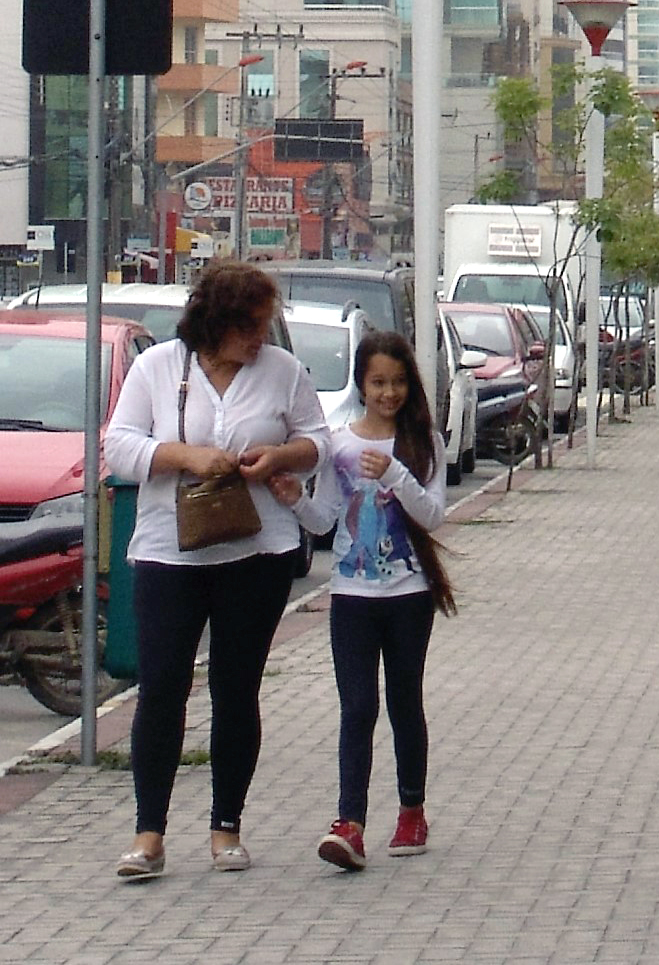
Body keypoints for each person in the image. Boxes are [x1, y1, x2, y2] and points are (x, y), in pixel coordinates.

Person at [100, 261, 325, 882]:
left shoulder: (282, 371)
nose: (259, 339)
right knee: (162, 686)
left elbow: (318, 442)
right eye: (248, 328)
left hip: (258, 553)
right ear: (216, 322)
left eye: (264, 327)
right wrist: (188, 456)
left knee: (236, 688)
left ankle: (227, 826)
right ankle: (149, 834)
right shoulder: (157, 367)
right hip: (169, 552)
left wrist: (278, 455)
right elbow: (118, 447)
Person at [315, 329, 458, 873]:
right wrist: (291, 501)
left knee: (403, 702)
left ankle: (412, 810)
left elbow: (434, 514)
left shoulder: (425, 444)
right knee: (357, 707)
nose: (388, 393)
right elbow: (326, 517)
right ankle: (349, 823)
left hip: (407, 594)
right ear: (361, 383)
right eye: (378, 382)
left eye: (398, 382)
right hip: (351, 596)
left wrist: (396, 472)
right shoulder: (339, 443)